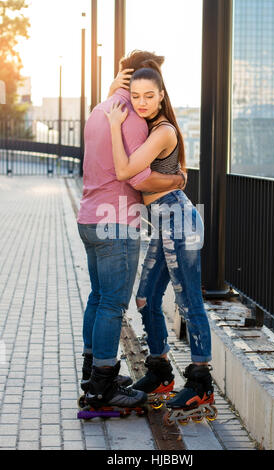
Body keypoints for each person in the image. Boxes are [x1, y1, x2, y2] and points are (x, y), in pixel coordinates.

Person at [77, 50, 186, 411]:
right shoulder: (135, 120)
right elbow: (139, 177)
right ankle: (103, 388)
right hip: (116, 222)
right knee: (112, 303)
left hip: (89, 218)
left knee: (98, 297)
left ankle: (94, 371)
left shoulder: (99, 109)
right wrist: (177, 178)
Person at [104, 63, 215, 415]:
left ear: (162, 96)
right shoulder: (147, 128)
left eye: (149, 96)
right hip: (163, 220)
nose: (141, 102)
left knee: (188, 298)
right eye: (135, 96)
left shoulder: (163, 130)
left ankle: (200, 382)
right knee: (144, 299)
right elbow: (140, 177)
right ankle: (161, 371)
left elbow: (126, 172)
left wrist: (112, 123)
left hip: (179, 219)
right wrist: (112, 95)